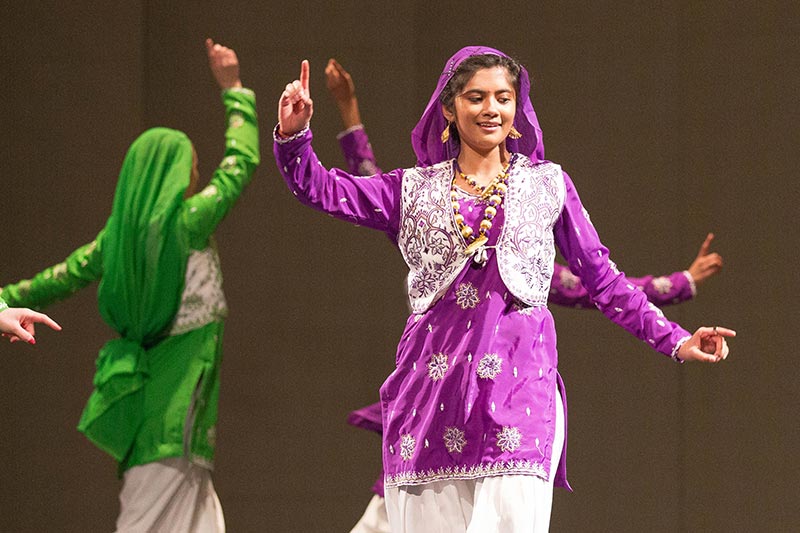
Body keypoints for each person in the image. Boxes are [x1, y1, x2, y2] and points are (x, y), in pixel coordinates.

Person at [275, 48, 734, 532]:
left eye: (503, 97)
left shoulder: (546, 186)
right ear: (449, 109)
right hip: (433, 398)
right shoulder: (412, 190)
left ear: (517, 108)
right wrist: (293, 135)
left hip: (521, 393)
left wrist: (676, 340)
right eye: (476, 97)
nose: (491, 108)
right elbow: (323, 189)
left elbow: (602, 280)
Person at [0, 39, 259, 531]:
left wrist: (2, 301)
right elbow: (239, 165)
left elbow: (50, 281)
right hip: (171, 414)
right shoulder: (186, 224)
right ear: (167, 175)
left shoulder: (111, 244)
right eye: (190, 167)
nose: (197, 174)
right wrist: (234, 90)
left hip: (169, 419)